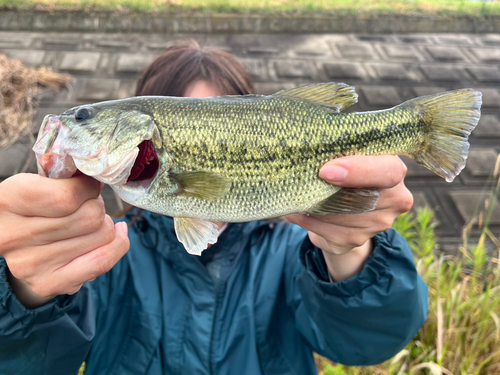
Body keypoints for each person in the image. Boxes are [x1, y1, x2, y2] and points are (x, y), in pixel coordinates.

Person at [0, 41, 427, 375]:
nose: (74, 125)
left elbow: (371, 340)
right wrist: (26, 289)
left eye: (86, 118)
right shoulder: (106, 257)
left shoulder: (292, 252)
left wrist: (351, 251)